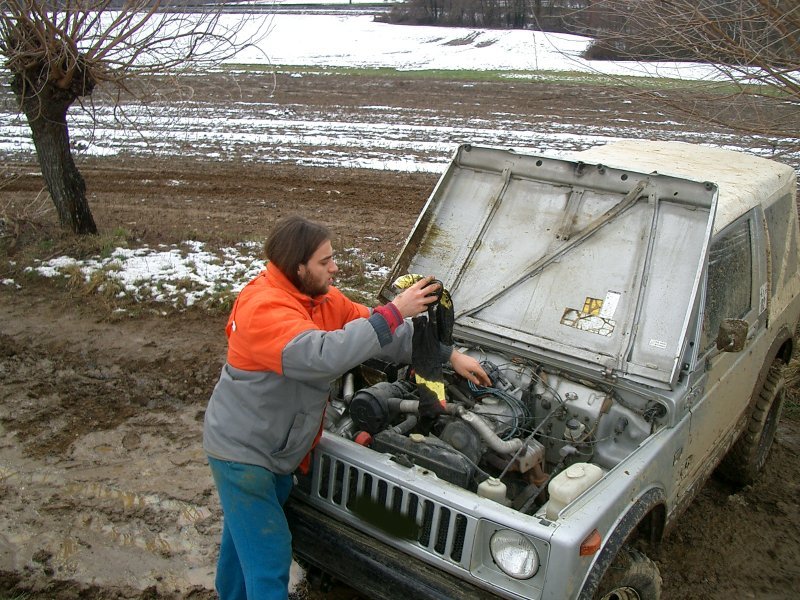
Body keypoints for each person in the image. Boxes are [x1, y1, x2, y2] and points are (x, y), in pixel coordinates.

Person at [203, 214, 490, 600]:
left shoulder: (321, 300)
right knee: (269, 558)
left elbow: (377, 333)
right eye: (325, 261)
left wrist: (447, 354)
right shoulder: (262, 307)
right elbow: (322, 355)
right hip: (244, 454)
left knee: (244, 545)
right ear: (298, 266)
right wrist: (396, 311)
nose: (335, 267)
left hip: (275, 449)